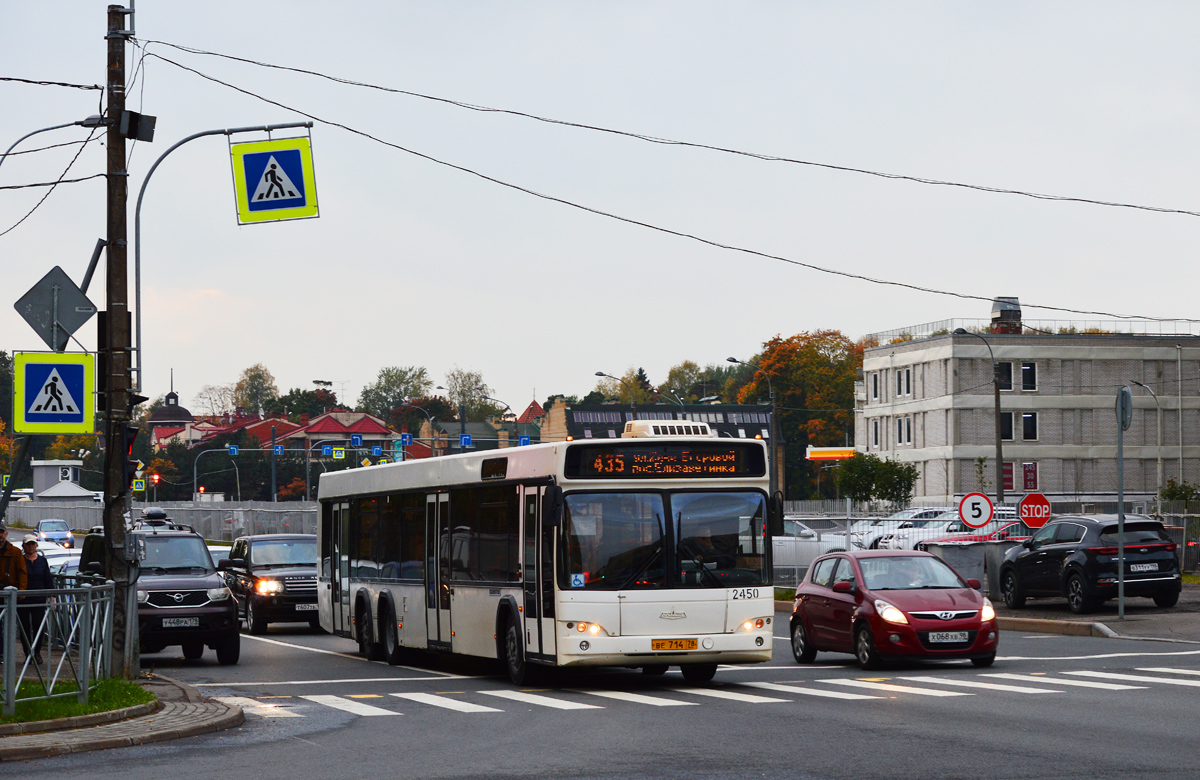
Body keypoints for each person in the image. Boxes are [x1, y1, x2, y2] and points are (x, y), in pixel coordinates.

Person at [20, 535, 53, 664]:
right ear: (24, 546)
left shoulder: (42, 561)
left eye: (33, 544)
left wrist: (52, 597)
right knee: (24, 628)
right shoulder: (21, 560)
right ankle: (28, 653)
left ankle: (37, 652)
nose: (31, 546)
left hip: (39, 599)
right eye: (28, 544)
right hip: (23, 599)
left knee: (39, 626)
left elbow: (48, 579)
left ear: (36, 546)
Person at [0, 522, 28, 663]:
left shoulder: (15, 552)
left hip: (10, 594)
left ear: (6, 534)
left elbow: (22, 572)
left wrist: (22, 590)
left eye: (1, 532)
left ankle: (9, 654)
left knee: (12, 625)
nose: (0, 536)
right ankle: (1, 654)